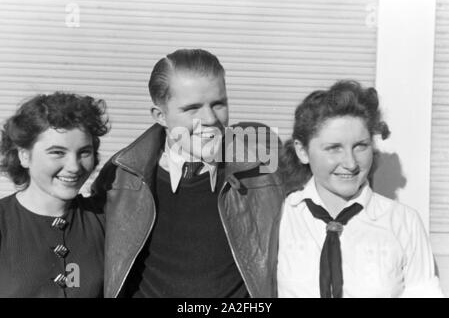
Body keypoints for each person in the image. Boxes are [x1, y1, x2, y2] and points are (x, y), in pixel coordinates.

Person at [91, 48, 284, 298]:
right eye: (192, 108)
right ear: (160, 115)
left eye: (219, 104)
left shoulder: (264, 177)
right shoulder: (120, 177)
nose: (210, 118)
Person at [276, 80, 444, 298]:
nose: (351, 163)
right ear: (302, 151)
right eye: (334, 148)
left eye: (360, 146)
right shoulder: (279, 217)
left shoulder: (404, 223)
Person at [0, 92, 109, 297]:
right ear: (24, 155)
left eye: (84, 152)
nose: (74, 167)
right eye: (57, 152)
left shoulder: (107, 221)